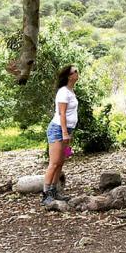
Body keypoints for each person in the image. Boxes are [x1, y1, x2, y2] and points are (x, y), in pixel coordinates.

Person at [43, 64, 79, 206]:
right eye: (75, 71)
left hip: (66, 130)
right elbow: (62, 113)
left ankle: (54, 191)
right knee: (54, 163)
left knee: (61, 163)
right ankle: (46, 195)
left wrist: (69, 133)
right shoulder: (63, 92)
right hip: (58, 129)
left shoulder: (70, 91)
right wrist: (64, 132)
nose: (77, 73)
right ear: (69, 76)